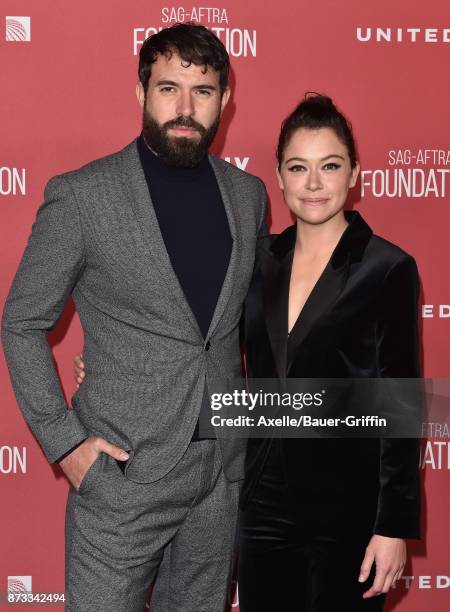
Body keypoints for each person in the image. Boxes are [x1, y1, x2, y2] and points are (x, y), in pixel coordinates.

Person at [1, 23, 266, 612]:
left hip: (218, 473)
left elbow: (235, 329)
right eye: (168, 88)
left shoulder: (248, 197)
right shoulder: (83, 197)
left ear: (225, 100)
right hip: (123, 474)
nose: (185, 107)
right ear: (141, 93)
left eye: (202, 91)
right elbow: (20, 322)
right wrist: (66, 446)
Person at [237, 94, 421, 611]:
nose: (313, 184)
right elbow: (206, 348)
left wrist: (392, 527)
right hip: (262, 505)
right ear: (278, 175)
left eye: (330, 166)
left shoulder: (386, 268)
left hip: (350, 511)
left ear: (355, 173)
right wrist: (111, 360)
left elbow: (402, 404)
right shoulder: (257, 263)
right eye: (299, 167)